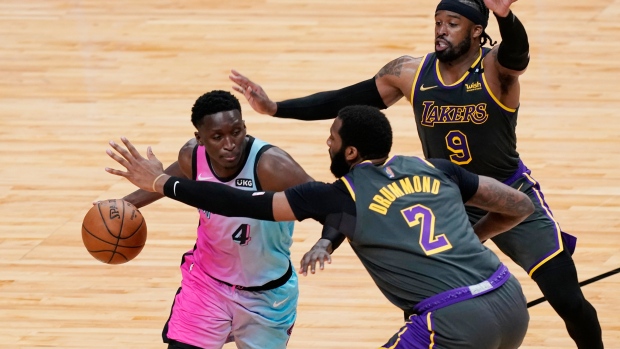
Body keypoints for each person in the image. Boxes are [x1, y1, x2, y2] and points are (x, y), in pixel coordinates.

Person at [226, 0, 604, 347]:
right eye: (438, 22)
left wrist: (505, 16)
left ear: (476, 31)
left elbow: (517, 55)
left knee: (567, 299)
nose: (441, 29)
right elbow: (346, 99)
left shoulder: (494, 69)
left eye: (452, 23)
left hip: (506, 191)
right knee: (429, 301)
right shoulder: (410, 72)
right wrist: (276, 108)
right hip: (446, 198)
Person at [105, 105, 535, 349]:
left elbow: (236, 201)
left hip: (452, 317)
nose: (325, 144)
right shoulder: (435, 168)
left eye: (331, 138)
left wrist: (163, 184)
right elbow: (519, 204)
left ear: (349, 151)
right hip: (509, 298)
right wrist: (471, 239)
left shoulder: (336, 194)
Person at [113, 90, 317, 349]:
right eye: (217, 137)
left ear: (245, 127)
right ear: (200, 139)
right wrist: (127, 203)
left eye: (236, 132)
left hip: (267, 295)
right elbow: (174, 178)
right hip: (207, 285)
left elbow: (325, 201)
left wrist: (325, 242)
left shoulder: (271, 166)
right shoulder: (192, 157)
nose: (230, 144)